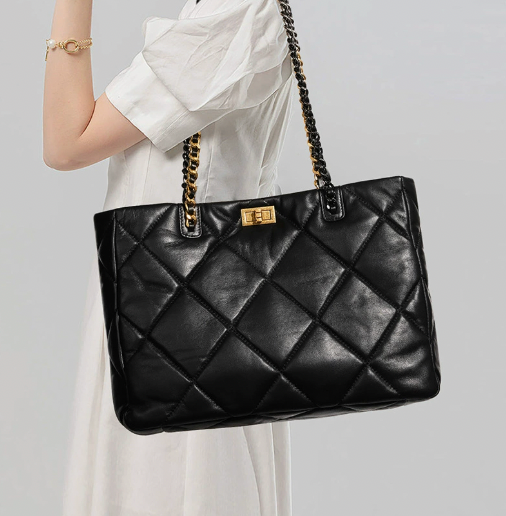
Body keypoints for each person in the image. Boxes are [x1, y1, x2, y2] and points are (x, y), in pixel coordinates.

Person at [43, 0, 296, 514]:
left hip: (181, 314)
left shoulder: (235, 13)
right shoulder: (223, 11)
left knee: (165, 484)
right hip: (186, 299)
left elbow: (66, 143)